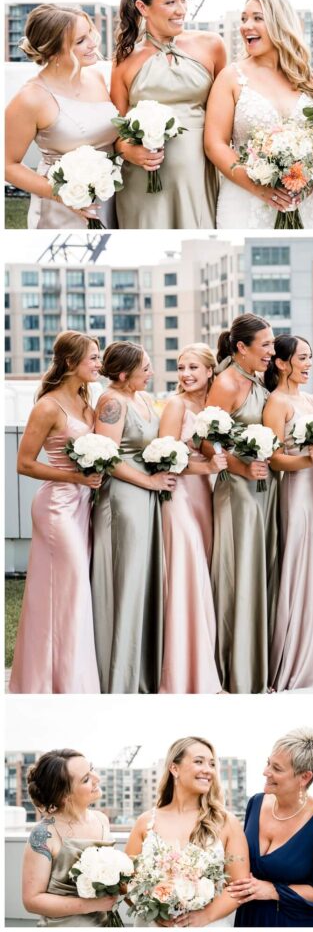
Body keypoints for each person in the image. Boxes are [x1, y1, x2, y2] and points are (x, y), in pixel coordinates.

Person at [10, 332, 102, 694]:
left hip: (83, 504)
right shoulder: (48, 406)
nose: (98, 364)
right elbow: (24, 464)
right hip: (56, 508)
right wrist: (74, 475)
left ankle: (71, 676)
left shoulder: (86, 399)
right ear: (70, 362)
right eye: (93, 358)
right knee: (67, 587)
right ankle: (49, 683)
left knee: (73, 593)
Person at [111, 0, 225, 228]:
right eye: (170, 2)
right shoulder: (125, 58)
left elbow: (225, 116)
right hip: (143, 183)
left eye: (184, 0)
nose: (181, 10)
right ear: (142, 7)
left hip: (198, 175)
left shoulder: (212, 45)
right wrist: (129, 151)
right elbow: (114, 129)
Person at [91, 342, 173, 693]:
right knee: (128, 581)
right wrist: (150, 480)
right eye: (145, 368)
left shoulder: (141, 398)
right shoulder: (111, 401)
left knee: (144, 580)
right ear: (123, 374)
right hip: (124, 498)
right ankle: (122, 676)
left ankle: (143, 671)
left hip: (147, 497)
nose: (150, 373)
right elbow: (108, 458)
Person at [205, 0, 313, 228]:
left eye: (257, 18)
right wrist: (258, 188)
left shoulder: (305, 79)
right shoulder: (231, 77)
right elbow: (214, 145)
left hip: (304, 203)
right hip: (245, 202)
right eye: (243, 19)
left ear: (279, 24)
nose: (246, 26)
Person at [206, 315, 279, 693]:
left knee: (258, 571)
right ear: (241, 348)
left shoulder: (256, 379)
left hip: (262, 489)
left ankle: (257, 664)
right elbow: (209, 440)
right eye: (264, 345)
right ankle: (235, 669)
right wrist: (242, 467)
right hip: (237, 489)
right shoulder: (227, 383)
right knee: (239, 574)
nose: (271, 351)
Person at [5, 5, 117, 228]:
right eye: (80, 41)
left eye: (90, 34)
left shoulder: (95, 77)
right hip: (60, 211)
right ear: (53, 51)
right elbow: (7, 164)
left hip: (110, 197)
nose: (93, 44)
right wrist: (63, 195)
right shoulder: (31, 98)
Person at [157, 344, 227, 694]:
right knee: (188, 577)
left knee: (205, 580)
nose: (185, 374)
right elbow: (164, 456)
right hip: (180, 497)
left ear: (210, 371)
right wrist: (206, 465)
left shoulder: (214, 409)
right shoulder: (176, 405)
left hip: (207, 496)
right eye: (181, 367)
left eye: (193, 368)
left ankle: (204, 665)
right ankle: (185, 674)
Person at [264, 336, 313, 690]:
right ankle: (294, 661)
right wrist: (308, 459)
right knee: (301, 565)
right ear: (281, 363)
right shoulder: (276, 402)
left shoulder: (307, 399)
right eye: (302, 358)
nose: (309, 363)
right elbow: (274, 457)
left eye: (310, 357)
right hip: (298, 491)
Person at [126, 737, 249, 927]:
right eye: (199, 761)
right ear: (174, 768)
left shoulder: (226, 822)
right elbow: (126, 882)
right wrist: (151, 911)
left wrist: (206, 916)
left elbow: (239, 886)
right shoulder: (145, 823)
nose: (208, 770)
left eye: (212, 764)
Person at [229, 729, 313, 927]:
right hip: (252, 919)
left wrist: (273, 890)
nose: (266, 772)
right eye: (268, 763)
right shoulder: (255, 803)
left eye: (277, 768)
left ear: (304, 777)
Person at [21, 750, 119, 926]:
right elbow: (32, 900)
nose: (97, 779)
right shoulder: (43, 834)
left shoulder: (102, 820)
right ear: (64, 796)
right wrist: (91, 905)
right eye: (86, 779)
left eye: (92, 769)